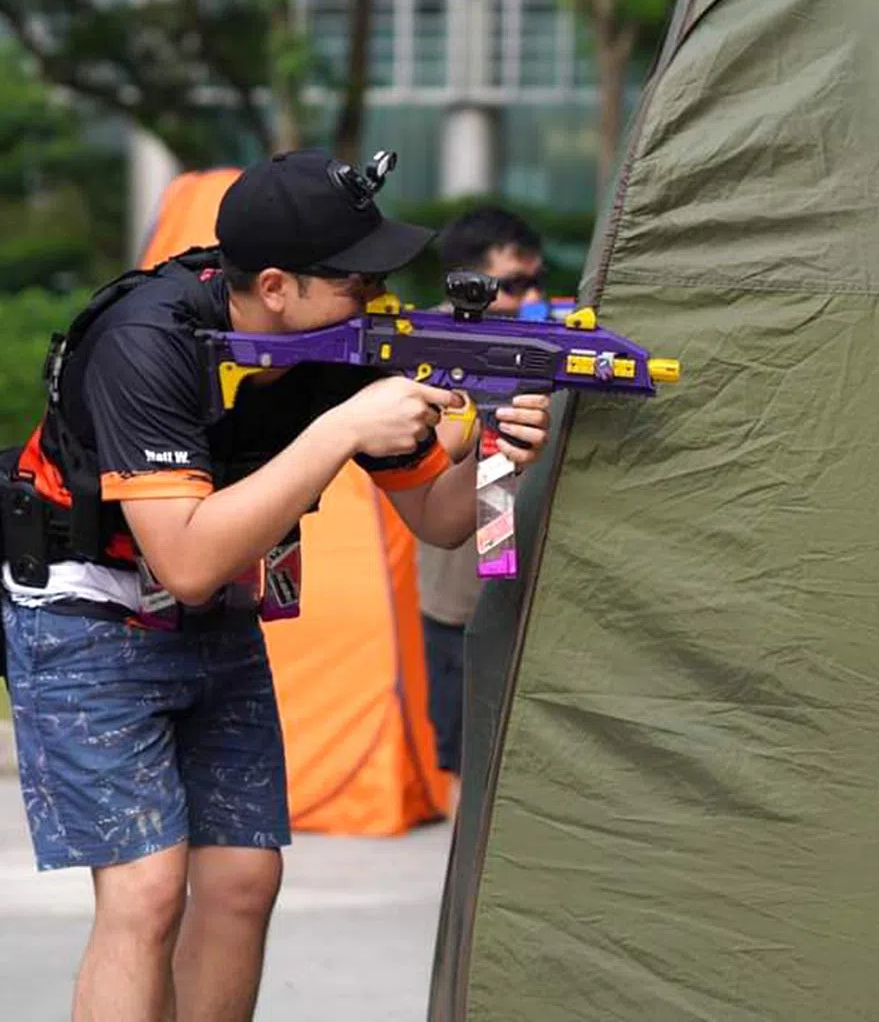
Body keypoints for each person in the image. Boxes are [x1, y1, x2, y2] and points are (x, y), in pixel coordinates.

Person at [0, 151, 551, 1022]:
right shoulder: (145, 344)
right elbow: (183, 557)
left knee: (244, 879)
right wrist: (337, 432)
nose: (377, 297)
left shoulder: (344, 345)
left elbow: (443, 524)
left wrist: (496, 457)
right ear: (274, 285)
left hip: (213, 617)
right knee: (146, 892)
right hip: (86, 613)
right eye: (356, 280)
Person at [418, 206, 546, 817]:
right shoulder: (427, 351)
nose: (530, 298)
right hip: (458, 599)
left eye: (533, 283)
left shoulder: (533, 344)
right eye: (514, 285)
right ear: (470, 283)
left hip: (520, 595)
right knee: (467, 761)